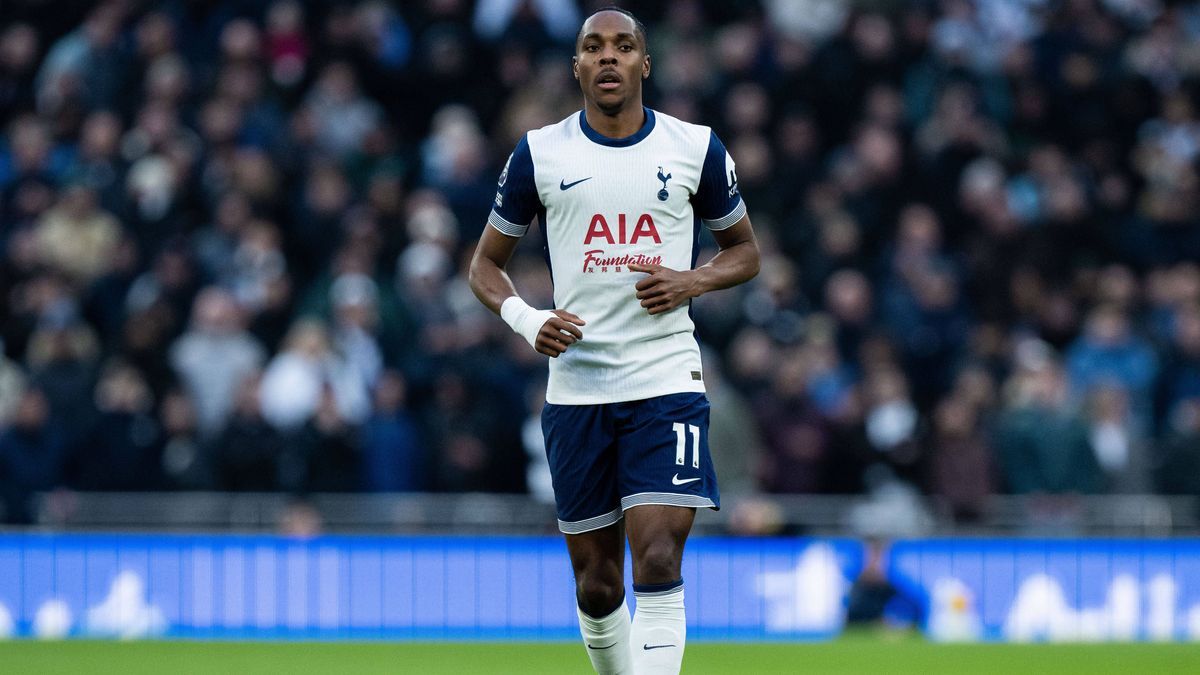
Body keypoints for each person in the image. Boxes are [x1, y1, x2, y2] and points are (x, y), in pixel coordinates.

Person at [468, 8, 759, 674]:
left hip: (666, 380)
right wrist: (527, 318)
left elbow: (745, 252)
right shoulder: (540, 152)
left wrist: (691, 280)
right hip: (576, 389)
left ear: (644, 64)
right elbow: (484, 265)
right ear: (575, 66)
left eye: (623, 46)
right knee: (597, 584)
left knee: (657, 555)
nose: (607, 57)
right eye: (592, 47)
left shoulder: (695, 147)